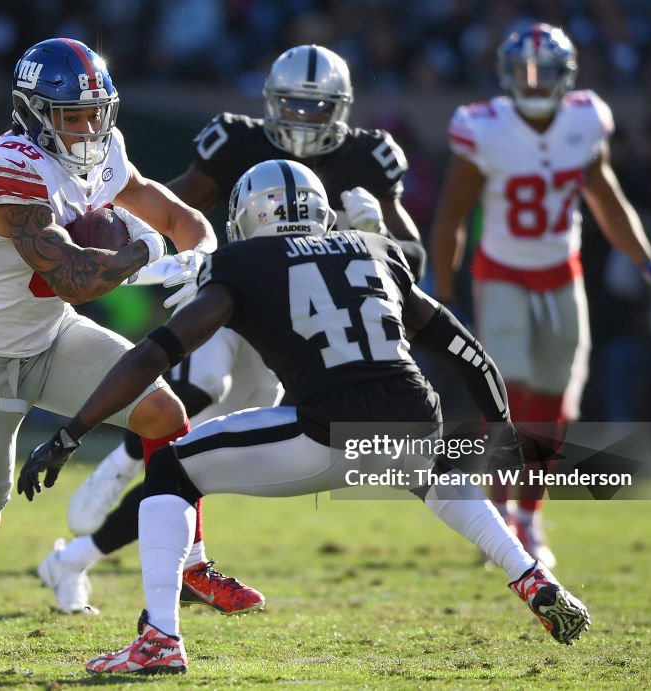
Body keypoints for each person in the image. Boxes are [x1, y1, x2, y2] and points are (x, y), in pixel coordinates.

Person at [18, 159, 591, 674]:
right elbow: (471, 353)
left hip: (324, 433)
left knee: (171, 465)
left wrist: (73, 431)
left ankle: (160, 636)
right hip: (416, 414)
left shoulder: (241, 261)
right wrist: (504, 431)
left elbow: (154, 355)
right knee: (434, 473)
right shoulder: (374, 249)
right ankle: (530, 575)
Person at [0, 37, 260, 625]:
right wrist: (144, 252)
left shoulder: (103, 148)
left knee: (164, 413)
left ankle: (190, 563)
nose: (87, 128)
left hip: (52, 337)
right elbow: (74, 279)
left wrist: (202, 253)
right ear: (34, 113)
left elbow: (166, 208)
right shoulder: (7, 167)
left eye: (95, 113)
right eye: (71, 116)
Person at [49, 45, 426, 607]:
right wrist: (141, 252)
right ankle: (124, 460)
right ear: (270, 103)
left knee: (200, 459)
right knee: (202, 389)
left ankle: (76, 558)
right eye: (291, 107)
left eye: (315, 109)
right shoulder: (238, 141)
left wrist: (380, 233)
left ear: (341, 110)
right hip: (233, 295)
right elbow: (177, 205)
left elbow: (409, 268)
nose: (300, 121)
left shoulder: (369, 157)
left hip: (291, 328)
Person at [430, 23, 651, 568]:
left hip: (561, 273)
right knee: (508, 393)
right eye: (524, 72)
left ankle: (530, 515)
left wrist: (644, 257)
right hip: (500, 272)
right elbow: (451, 216)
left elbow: (605, 197)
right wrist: (443, 293)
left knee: (554, 396)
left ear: (569, 77)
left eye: (545, 72)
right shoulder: (483, 127)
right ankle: (497, 516)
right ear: (504, 75)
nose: (535, 82)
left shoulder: (585, 120)